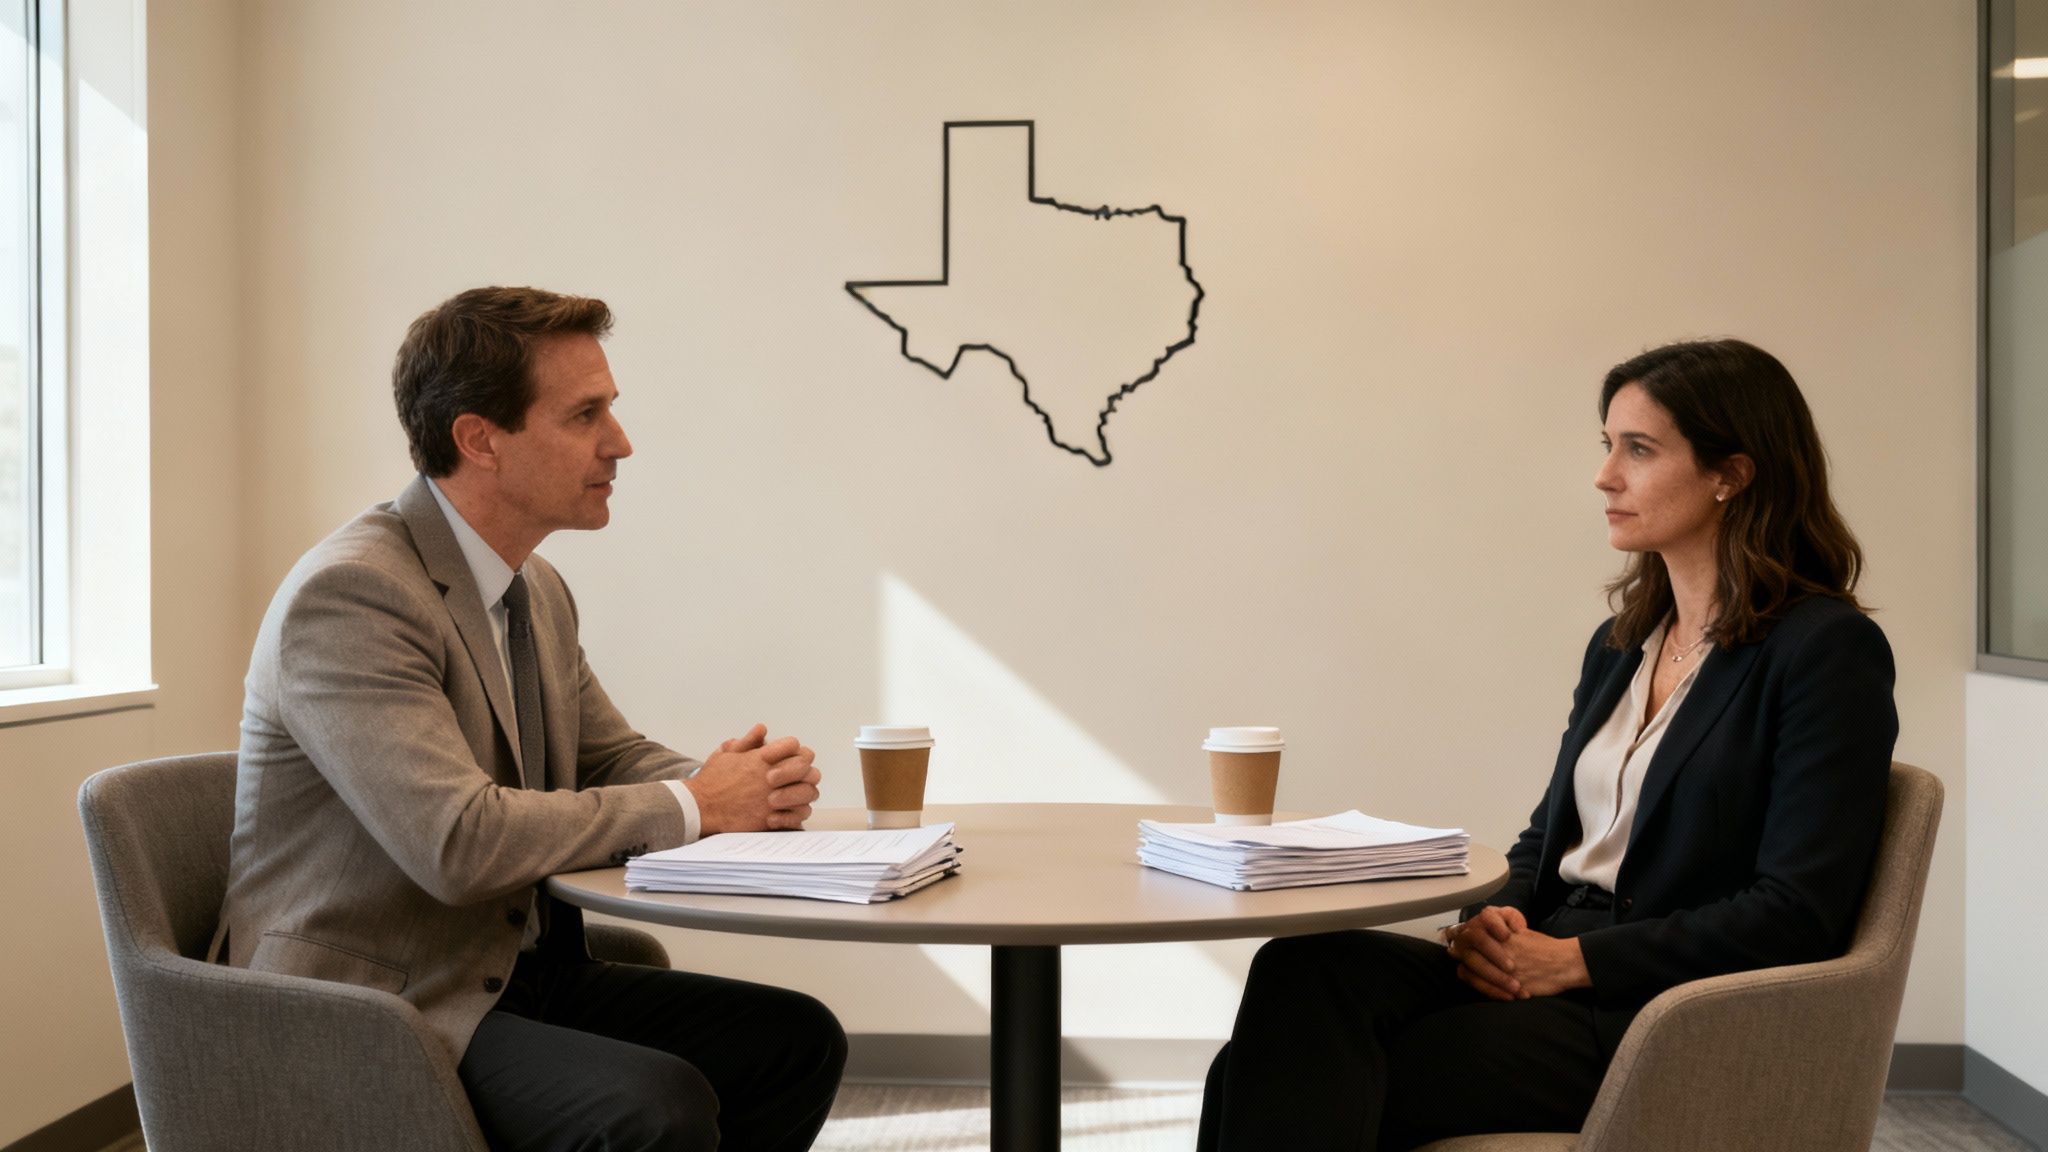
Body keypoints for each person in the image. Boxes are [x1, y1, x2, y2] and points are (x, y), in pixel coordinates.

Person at [1196, 338, 1898, 1150]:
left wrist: (1575, 963)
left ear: (1730, 474)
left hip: (1655, 1006)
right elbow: (1547, 838)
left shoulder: (1823, 650)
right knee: (1300, 970)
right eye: (1608, 445)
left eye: (1639, 449)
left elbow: (1797, 911)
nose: (1606, 475)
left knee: (1291, 1073)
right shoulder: (1621, 642)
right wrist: (1494, 925)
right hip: (1552, 954)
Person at [218, 286, 847, 1152]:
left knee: (793, 1042)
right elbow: (458, 842)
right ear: (480, 439)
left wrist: (746, 785)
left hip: (514, 969)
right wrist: (701, 804)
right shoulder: (353, 597)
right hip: (379, 1003)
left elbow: (606, 754)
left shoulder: (533, 586)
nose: (620, 443)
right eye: (586, 414)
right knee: (653, 1107)